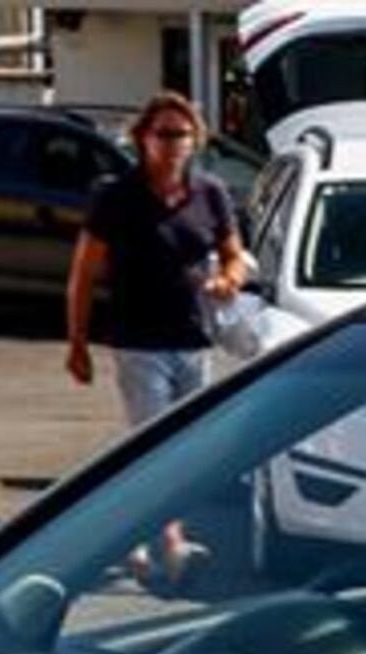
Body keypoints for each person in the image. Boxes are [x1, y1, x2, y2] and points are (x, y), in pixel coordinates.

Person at [66, 91, 250, 431]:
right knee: (154, 438)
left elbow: (233, 256)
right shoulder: (116, 197)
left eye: (182, 134)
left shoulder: (210, 192)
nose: (173, 143)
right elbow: (83, 275)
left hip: (195, 339)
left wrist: (229, 281)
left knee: (195, 437)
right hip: (139, 344)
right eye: (163, 134)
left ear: (195, 140)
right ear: (143, 138)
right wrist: (78, 344)